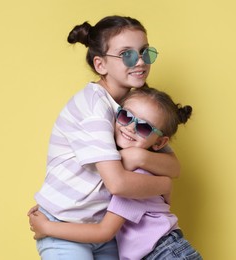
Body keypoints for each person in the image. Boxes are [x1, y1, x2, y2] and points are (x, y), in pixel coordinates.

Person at [28, 16, 181, 259]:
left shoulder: (136, 105)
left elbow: (173, 166)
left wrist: (137, 156)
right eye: (127, 55)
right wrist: (164, 185)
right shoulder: (93, 107)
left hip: (102, 230)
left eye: (145, 52)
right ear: (101, 65)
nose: (140, 61)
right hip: (64, 224)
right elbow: (118, 184)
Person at [29, 87, 203, 260]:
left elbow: (104, 231)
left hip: (165, 254)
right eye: (126, 116)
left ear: (159, 143)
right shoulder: (145, 167)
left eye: (144, 127)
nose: (130, 127)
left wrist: (46, 227)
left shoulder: (136, 180)